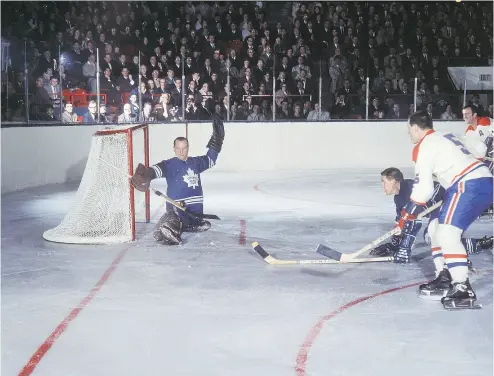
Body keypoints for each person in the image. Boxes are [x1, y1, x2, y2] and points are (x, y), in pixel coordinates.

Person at [397, 111, 492, 310]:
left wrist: (407, 214)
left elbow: (423, 189)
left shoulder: (423, 146)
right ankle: (445, 275)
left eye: (409, 131)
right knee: (435, 229)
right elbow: (480, 148)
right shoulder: (447, 135)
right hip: (482, 180)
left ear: (416, 128)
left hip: (467, 184)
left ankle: (462, 288)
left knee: (447, 234)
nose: (409, 136)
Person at [131, 108, 225, 245]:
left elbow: (211, 159)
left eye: (184, 148)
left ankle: (172, 228)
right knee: (174, 220)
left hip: (195, 214)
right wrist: (146, 174)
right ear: (174, 148)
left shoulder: (196, 162)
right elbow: (154, 171)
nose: (181, 151)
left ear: (188, 147)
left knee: (195, 222)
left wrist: (218, 140)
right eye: (178, 148)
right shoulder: (169, 164)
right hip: (178, 211)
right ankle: (167, 228)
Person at [371, 167, 492, 263]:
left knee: (432, 236)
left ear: (394, 181)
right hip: (437, 207)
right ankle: (480, 244)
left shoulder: (410, 188)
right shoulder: (398, 199)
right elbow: (401, 223)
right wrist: (394, 244)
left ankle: (471, 252)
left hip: (445, 202)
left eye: (384, 181)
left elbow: (413, 223)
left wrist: (404, 249)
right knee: (438, 238)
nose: (382, 185)